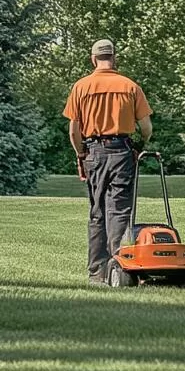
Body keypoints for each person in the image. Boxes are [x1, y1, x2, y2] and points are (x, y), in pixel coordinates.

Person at [63, 38, 153, 285]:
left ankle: (96, 272)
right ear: (114, 58)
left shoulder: (81, 87)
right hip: (122, 151)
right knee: (120, 210)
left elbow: (73, 131)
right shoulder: (130, 86)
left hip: (93, 152)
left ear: (94, 59)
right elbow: (146, 128)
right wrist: (138, 147)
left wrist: (81, 154)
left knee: (97, 212)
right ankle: (120, 267)